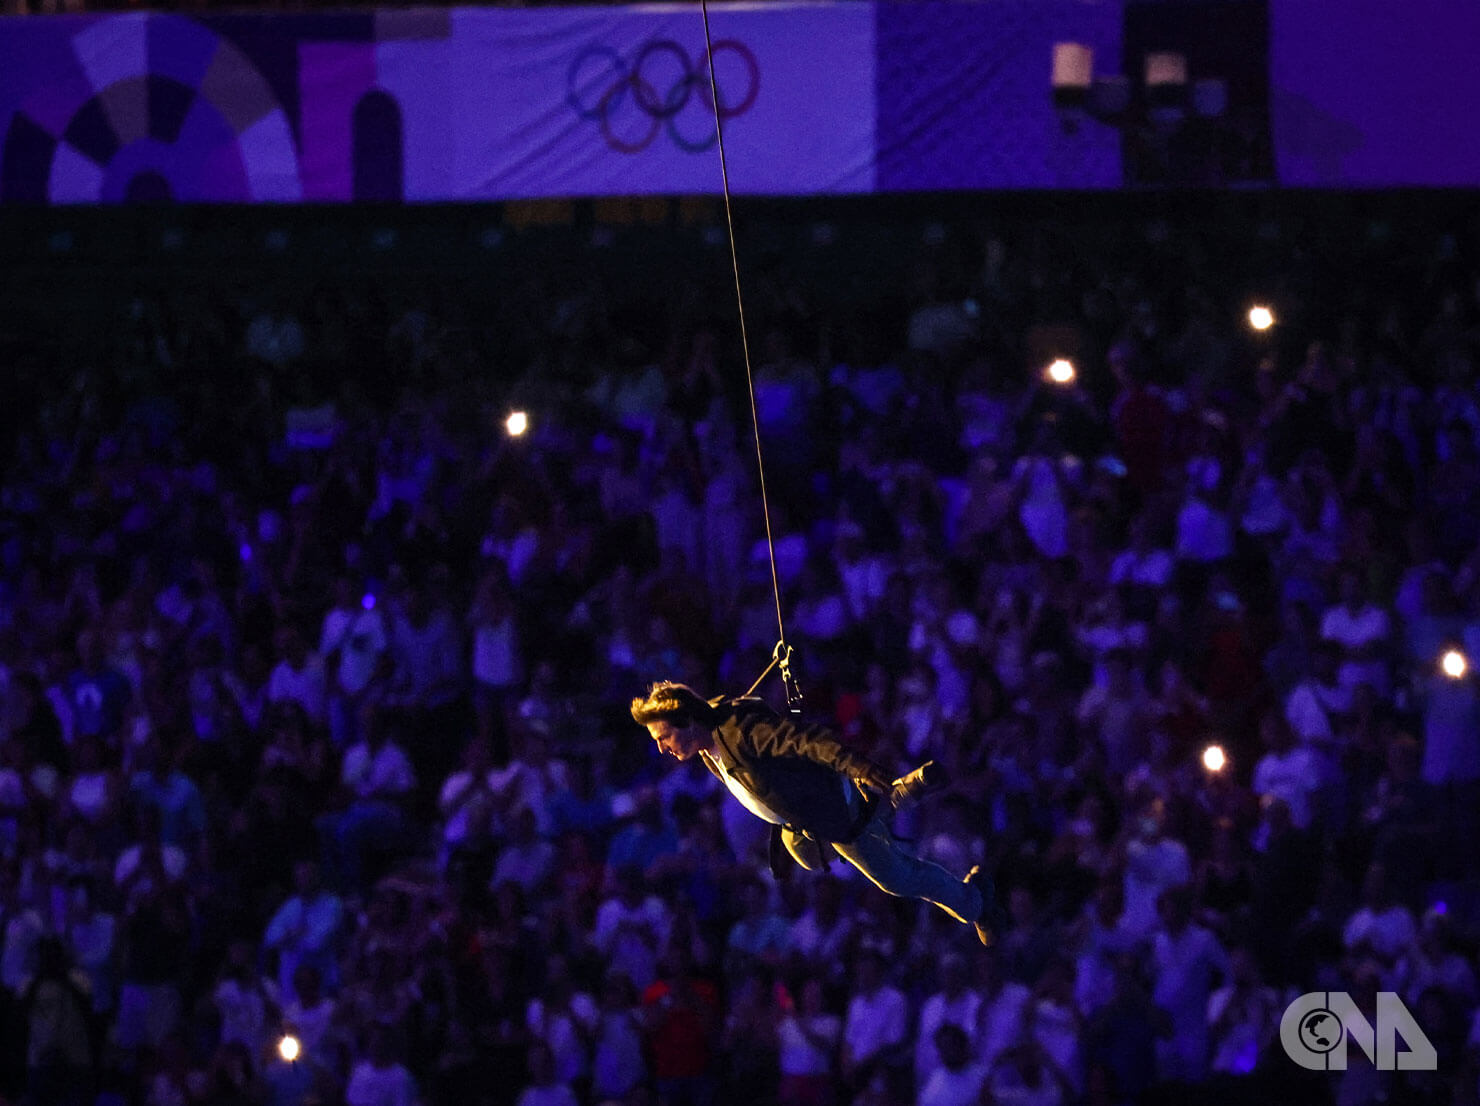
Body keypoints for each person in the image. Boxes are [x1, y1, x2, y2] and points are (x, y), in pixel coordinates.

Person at [629, 682, 1002, 945]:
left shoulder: (742, 733)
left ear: (686, 724)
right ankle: (898, 795)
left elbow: (805, 740)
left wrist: (856, 765)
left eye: (663, 738)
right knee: (804, 854)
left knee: (896, 878)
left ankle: (975, 901)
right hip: (800, 821)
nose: (662, 748)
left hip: (828, 805)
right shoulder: (706, 739)